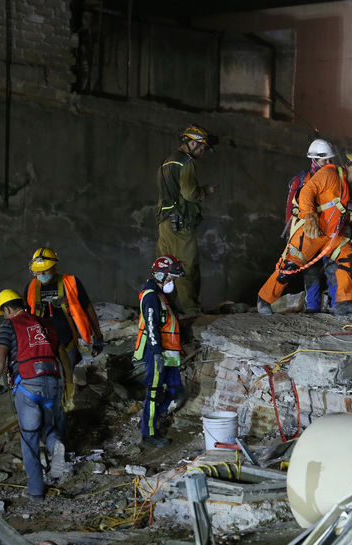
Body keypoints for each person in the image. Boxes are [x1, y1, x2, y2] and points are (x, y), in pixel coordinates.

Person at [257, 148, 352, 316]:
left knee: (349, 255)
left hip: (332, 237)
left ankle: (344, 303)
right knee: (290, 265)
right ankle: (264, 299)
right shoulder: (329, 175)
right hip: (312, 232)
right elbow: (307, 192)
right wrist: (310, 217)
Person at [0, 289, 75, 502]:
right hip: (53, 383)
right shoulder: (46, 324)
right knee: (48, 428)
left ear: (7, 309)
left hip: (27, 386)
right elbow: (63, 355)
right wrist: (69, 387)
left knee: (29, 437)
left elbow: (0, 358)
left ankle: (35, 491)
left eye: (3, 312)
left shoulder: (9, 325)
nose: (4, 316)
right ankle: (56, 446)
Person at [156, 124, 217, 315]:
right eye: (200, 148)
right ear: (190, 143)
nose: (201, 152)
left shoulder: (166, 162)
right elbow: (190, 194)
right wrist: (205, 191)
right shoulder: (186, 162)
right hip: (180, 223)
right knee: (186, 265)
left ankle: (164, 307)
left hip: (164, 222)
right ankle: (191, 310)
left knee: (165, 265)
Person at [133, 255, 186, 448]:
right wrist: (156, 353)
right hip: (156, 352)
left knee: (176, 392)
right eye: (170, 278)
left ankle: (147, 421)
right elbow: (151, 326)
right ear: (160, 275)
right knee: (154, 393)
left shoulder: (160, 296)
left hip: (169, 352)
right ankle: (148, 434)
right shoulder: (150, 296)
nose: (172, 282)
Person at [25, 247, 104, 368]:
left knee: (69, 377)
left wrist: (98, 337)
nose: (41, 274)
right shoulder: (30, 288)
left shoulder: (71, 282)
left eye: (45, 271)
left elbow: (88, 308)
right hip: (42, 344)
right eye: (38, 271)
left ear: (54, 267)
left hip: (68, 342)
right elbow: (24, 318)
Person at [283, 139, 338, 313]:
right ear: (314, 160)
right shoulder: (299, 181)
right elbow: (290, 211)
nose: (328, 164)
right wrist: (290, 237)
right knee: (311, 272)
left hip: (330, 233)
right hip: (309, 234)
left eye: (330, 160)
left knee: (334, 268)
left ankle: (338, 305)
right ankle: (312, 307)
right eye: (324, 161)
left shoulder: (335, 179)